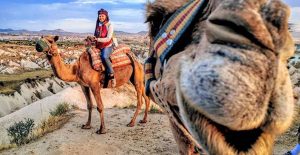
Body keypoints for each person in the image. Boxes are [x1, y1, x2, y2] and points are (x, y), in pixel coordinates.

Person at [94, 8, 117, 87]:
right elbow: (95, 35)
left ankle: (112, 75)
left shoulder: (110, 25)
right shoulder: (98, 24)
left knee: (104, 56)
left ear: (106, 16)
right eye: (99, 16)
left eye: (102, 16)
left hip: (108, 45)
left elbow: (108, 38)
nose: (101, 17)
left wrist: (97, 39)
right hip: (99, 44)